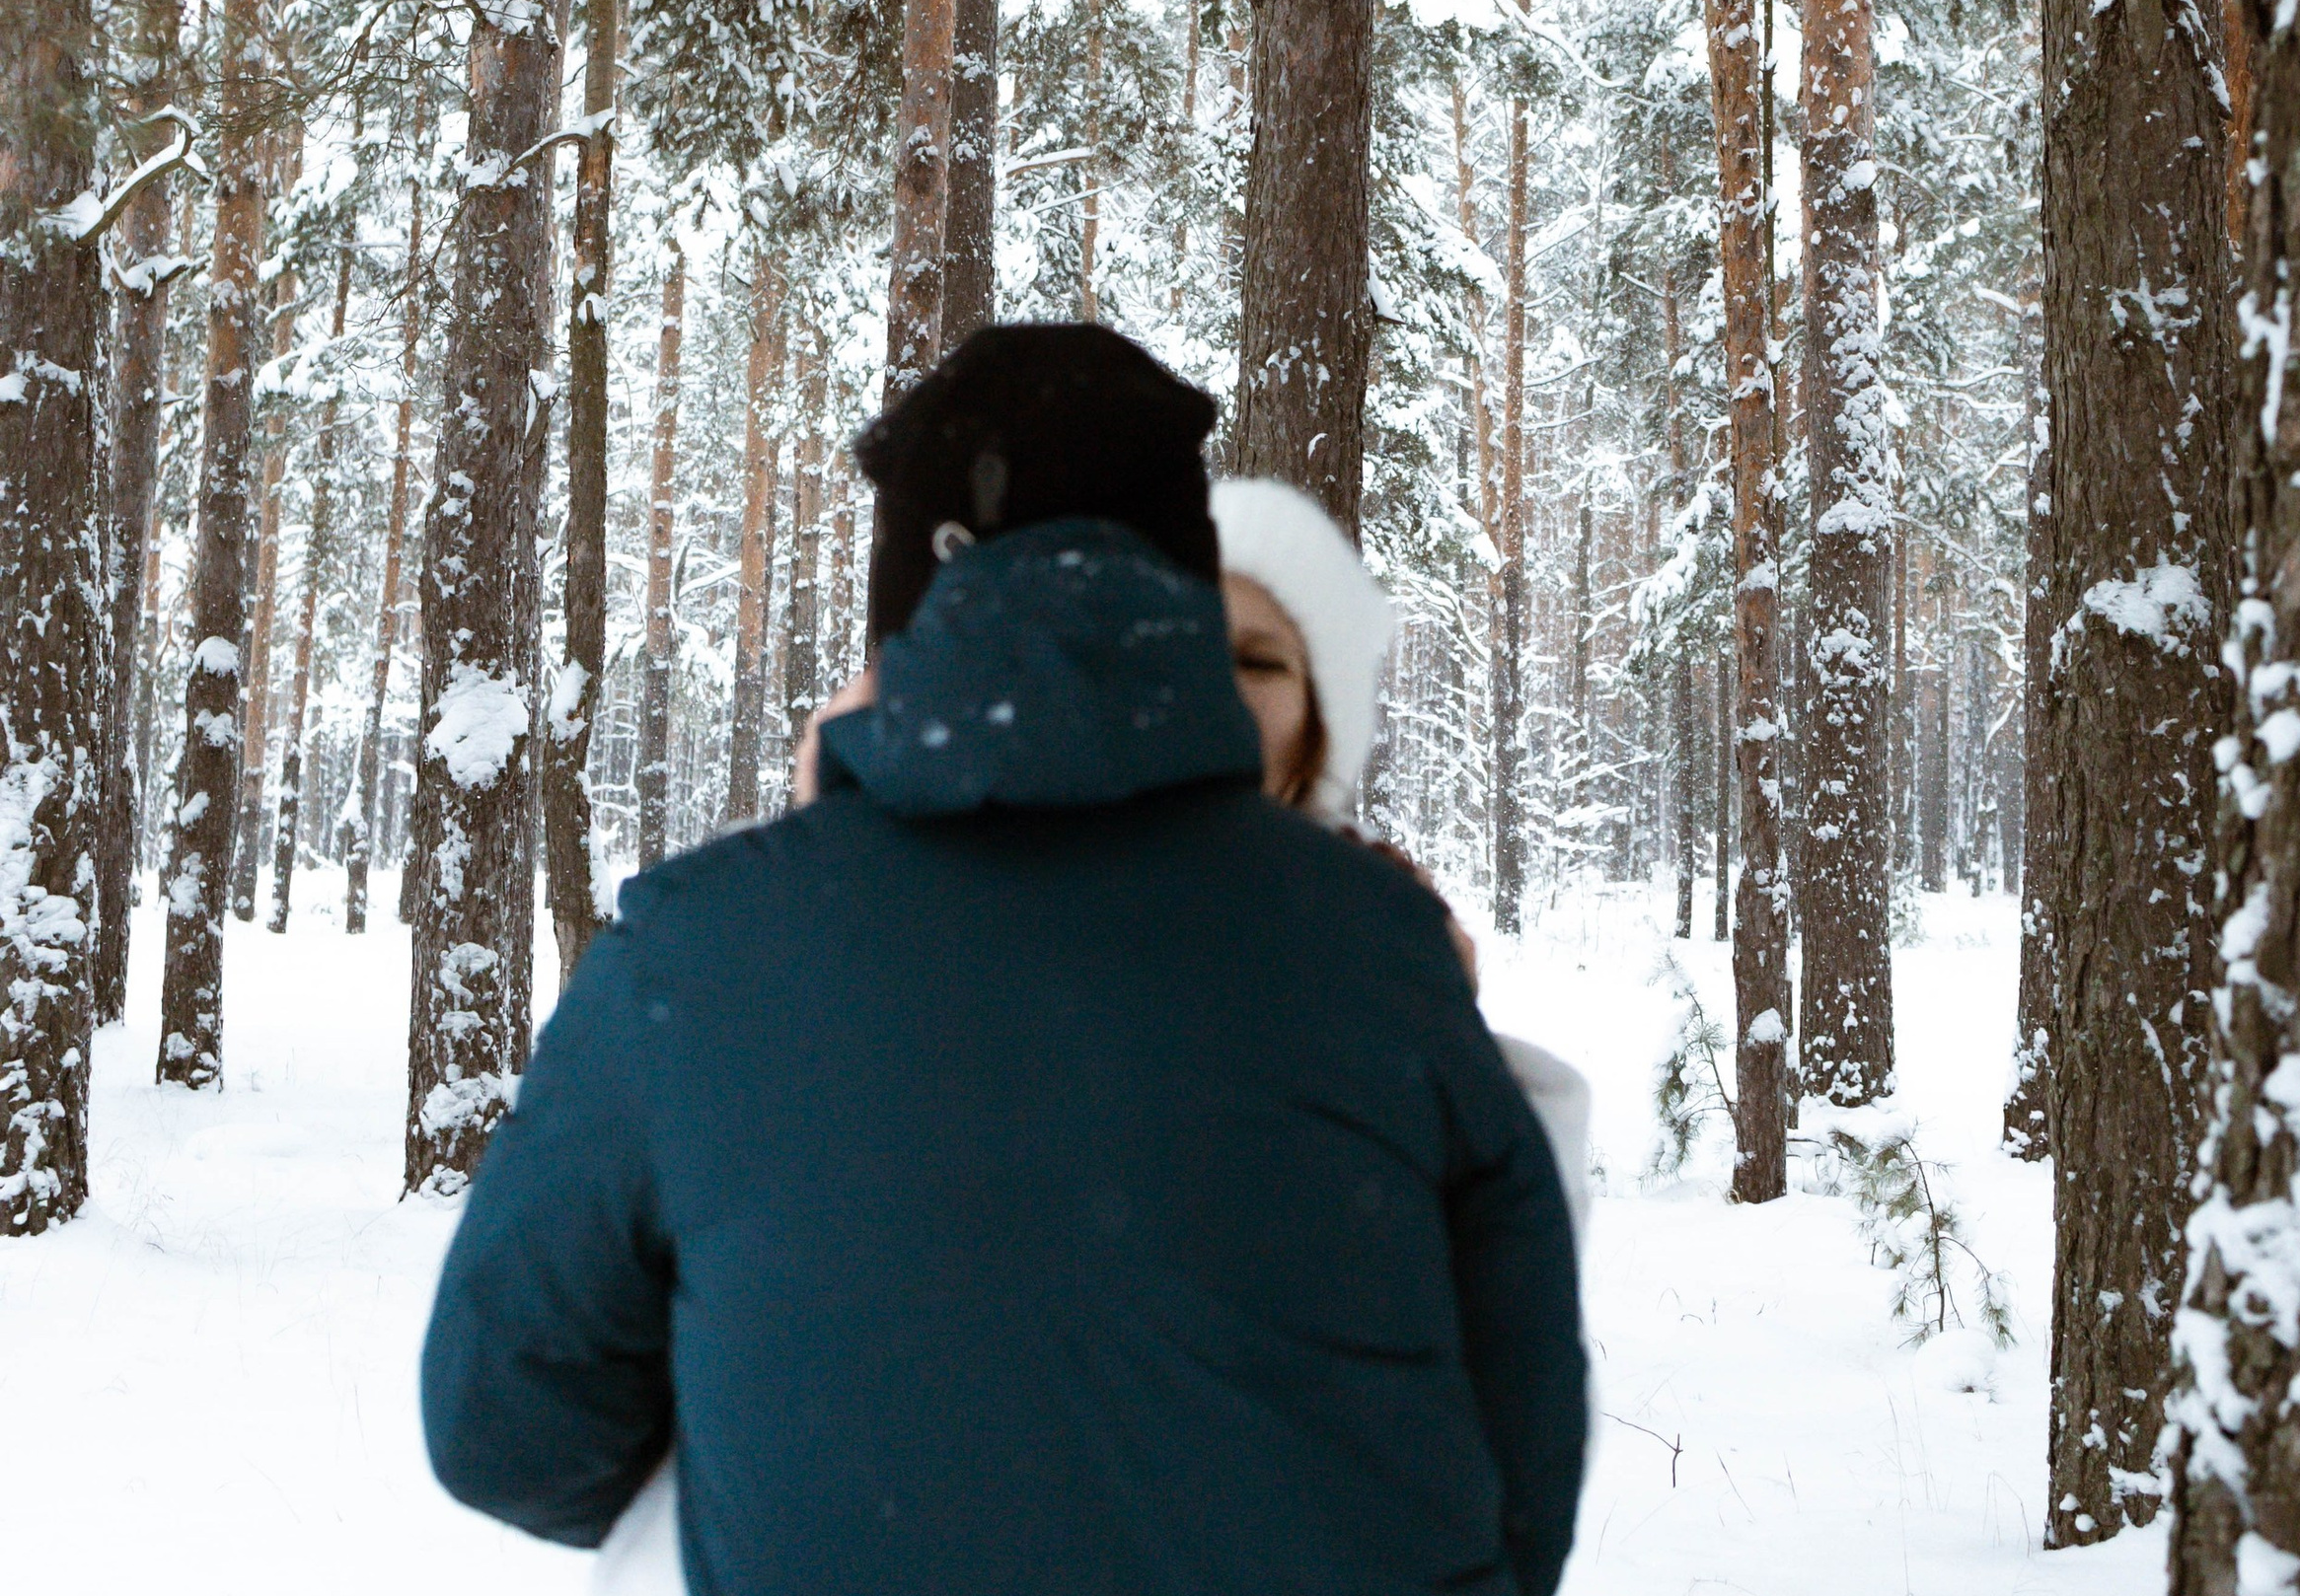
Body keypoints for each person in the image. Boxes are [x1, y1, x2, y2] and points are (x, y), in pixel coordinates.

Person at [422, 324, 1590, 1596]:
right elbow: (1515, 1451)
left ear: (899, 623)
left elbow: (507, 1429)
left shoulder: (697, 959)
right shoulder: (1376, 949)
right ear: (1189, 593)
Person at [1210, 477, 1593, 1233]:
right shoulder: (1042, 905)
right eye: (1185, 648)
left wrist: (1450, 1033)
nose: (1218, 689)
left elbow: (1515, 1281)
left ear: (1324, 714)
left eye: (1259, 663)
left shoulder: (1372, 938)